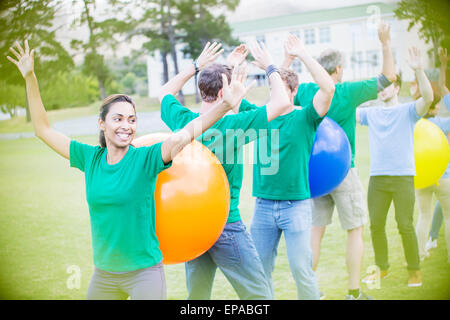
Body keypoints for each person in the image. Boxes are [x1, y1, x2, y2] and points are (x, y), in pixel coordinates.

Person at [7, 40, 253, 300]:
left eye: (132, 120)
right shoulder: (89, 158)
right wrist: (30, 77)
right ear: (102, 123)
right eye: (118, 118)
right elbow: (43, 129)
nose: (126, 126)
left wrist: (225, 105)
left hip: (144, 273)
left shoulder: (146, 158)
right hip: (104, 275)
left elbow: (185, 134)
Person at [133, 41, 291, 299]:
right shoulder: (234, 126)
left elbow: (164, 93)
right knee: (259, 297)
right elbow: (282, 102)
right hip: (226, 226)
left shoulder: (183, 121)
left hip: (192, 226)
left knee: (197, 298)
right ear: (223, 94)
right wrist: (269, 66)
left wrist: (197, 66)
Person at [282, 21, 396, 299]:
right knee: (355, 230)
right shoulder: (347, 91)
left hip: (314, 174)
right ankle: (354, 293)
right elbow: (388, 78)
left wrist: (292, 57)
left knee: (315, 232)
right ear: (339, 69)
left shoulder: (307, 91)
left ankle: (309, 294)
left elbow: (282, 81)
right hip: (344, 171)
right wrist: (384, 44)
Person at [237, 34, 335, 300]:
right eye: (272, 90)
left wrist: (301, 54)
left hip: (296, 207)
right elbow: (230, 100)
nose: (275, 95)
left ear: (292, 92)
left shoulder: (305, 117)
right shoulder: (261, 116)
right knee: (259, 272)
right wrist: (238, 66)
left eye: (280, 89)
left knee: (302, 270)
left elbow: (328, 89)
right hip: (264, 207)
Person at [357, 47, 434, 287]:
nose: (381, 91)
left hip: (402, 177)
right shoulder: (371, 114)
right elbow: (345, 109)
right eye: (379, 88)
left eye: (386, 86)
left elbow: (429, 98)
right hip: (377, 179)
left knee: (405, 224)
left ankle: (414, 271)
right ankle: (382, 269)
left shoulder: (408, 110)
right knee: (376, 224)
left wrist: (419, 70)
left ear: (397, 88)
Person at [415, 47, 450, 263]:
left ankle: (419, 255)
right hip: (444, 176)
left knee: (423, 216)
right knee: (449, 216)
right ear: (436, 108)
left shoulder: (415, 124)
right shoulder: (443, 123)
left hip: (421, 177)